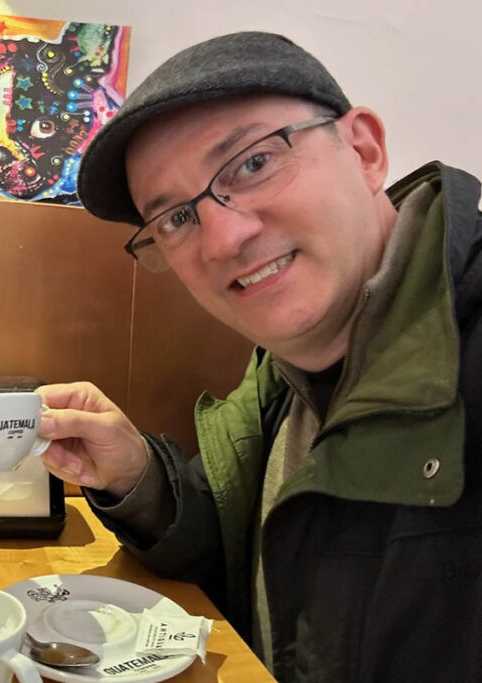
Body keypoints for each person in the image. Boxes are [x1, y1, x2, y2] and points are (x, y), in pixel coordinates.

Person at [36, 31, 482, 682]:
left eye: (252, 164)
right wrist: (140, 479)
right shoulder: (287, 372)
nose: (223, 238)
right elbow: (266, 554)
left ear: (364, 149)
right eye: (177, 219)